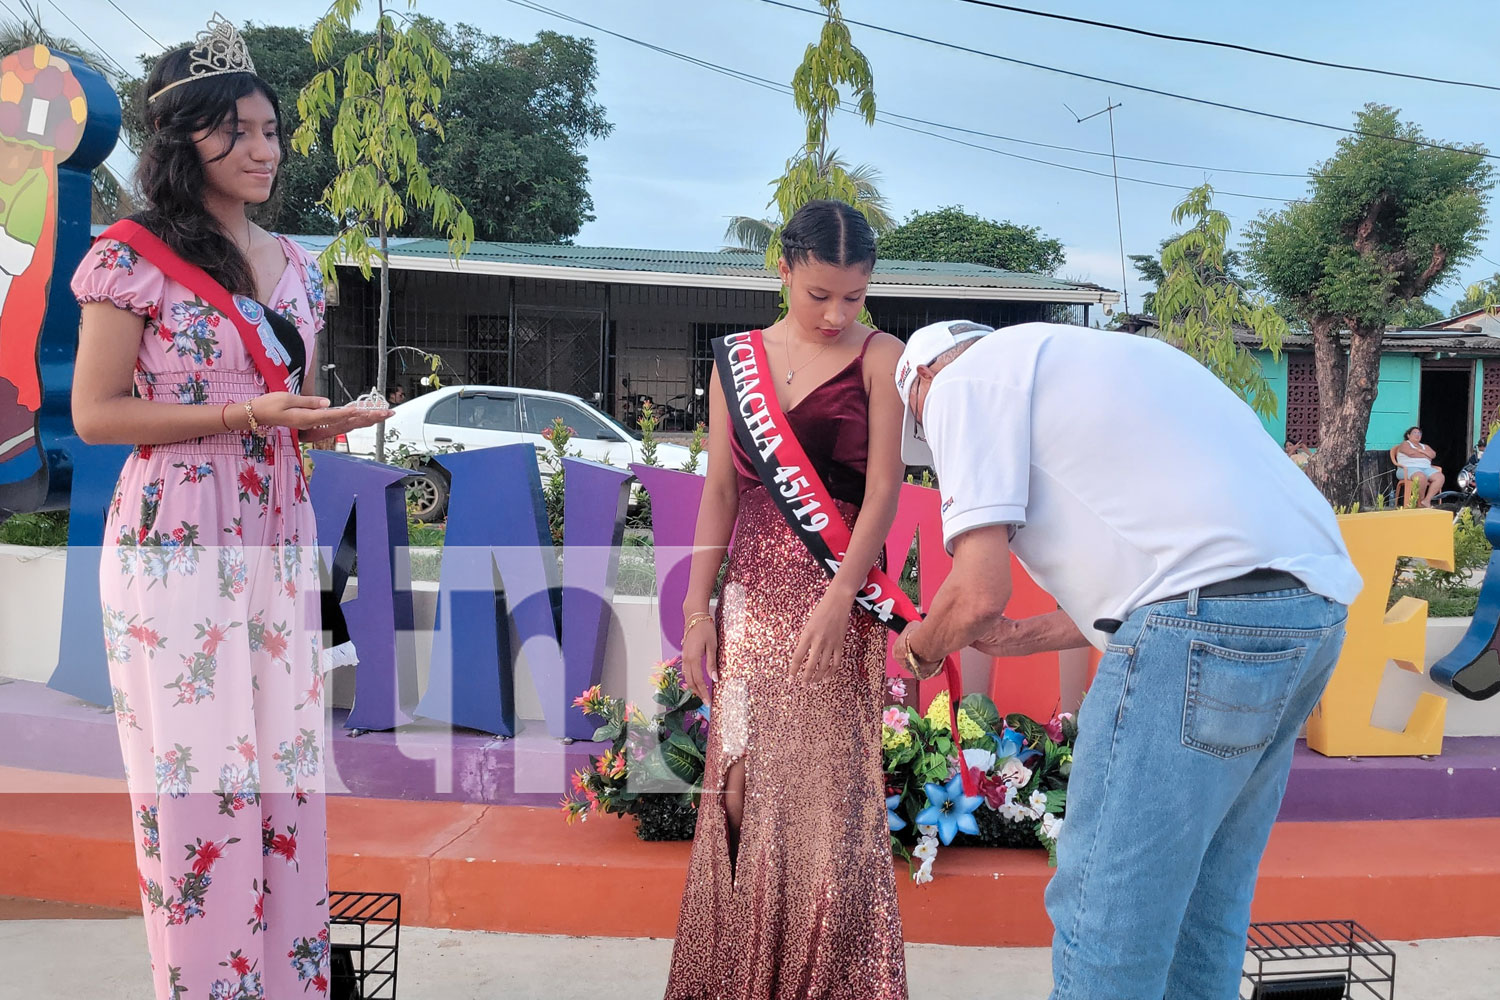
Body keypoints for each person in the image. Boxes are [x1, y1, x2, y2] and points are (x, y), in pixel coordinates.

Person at [890, 321, 1361, 1000]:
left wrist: (921, 648)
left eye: (924, 429)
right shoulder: (1100, 360)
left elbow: (977, 590)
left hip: (1200, 624)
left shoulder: (961, 381)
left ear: (924, 381)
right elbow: (1173, 578)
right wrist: (1021, 639)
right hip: (1309, 614)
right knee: (1208, 902)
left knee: (1107, 918)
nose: (937, 443)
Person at [69, 18, 388, 1000]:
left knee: (285, 777)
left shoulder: (293, 266)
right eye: (237, 131)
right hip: (177, 534)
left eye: (271, 129)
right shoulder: (133, 257)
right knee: (200, 785)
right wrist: (244, 410)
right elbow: (95, 413)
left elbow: (278, 406)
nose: (264, 149)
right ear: (183, 141)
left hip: (275, 525)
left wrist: (319, 422)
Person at [666, 200, 910, 999]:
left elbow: (883, 498)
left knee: (826, 809)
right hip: (751, 604)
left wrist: (842, 599)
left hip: (837, 606)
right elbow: (719, 493)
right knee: (737, 791)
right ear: (783, 269)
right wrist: (697, 611)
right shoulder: (735, 358)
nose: (839, 313)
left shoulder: (883, 357)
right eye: (820, 295)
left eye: (854, 295)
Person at [1391, 426, 1444, 507]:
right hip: (1407, 469)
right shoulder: (1405, 444)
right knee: (1421, 477)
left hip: (1426, 468)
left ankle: (1426, 501)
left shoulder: (1424, 446)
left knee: (1440, 477)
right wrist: (1426, 455)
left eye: (1419, 433)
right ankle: (1420, 502)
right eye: (1414, 433)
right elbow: (1411, 453)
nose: (1417, 435)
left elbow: (1433, 455)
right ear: (1408, 435)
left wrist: (1421, 450)